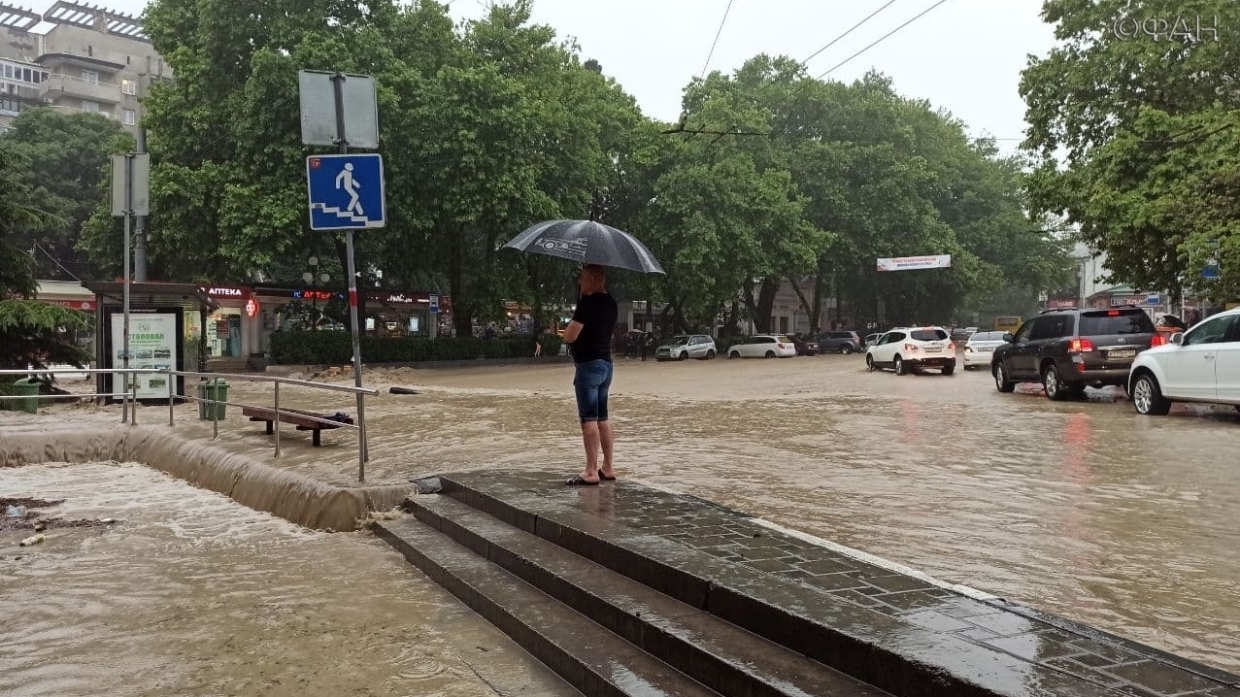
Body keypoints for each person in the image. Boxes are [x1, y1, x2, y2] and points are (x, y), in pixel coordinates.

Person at [562, 264, 618, 486]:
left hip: (588, 366)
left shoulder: (587, 303)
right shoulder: (612, 303)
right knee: (603, 418)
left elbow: (570, 336)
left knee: (589, 420)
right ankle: (608, 467)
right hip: (606, 366)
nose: (579, 282)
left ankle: (590, 471)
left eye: (582, 278)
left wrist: (580, 305)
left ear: (594, 278)